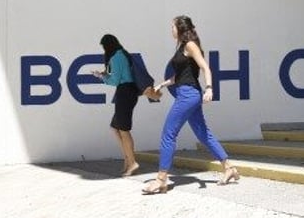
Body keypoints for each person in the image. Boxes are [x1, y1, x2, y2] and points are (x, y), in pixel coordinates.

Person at [142, 15, 240, 195]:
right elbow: (180, 76)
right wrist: (162, 84)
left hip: (188, 95)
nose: (171, 30)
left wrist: (209, 88)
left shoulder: (190, 45)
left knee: (168, 134)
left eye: (172, 26)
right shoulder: (182, 46)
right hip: (187, 93)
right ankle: (229, 168)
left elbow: (205, 68)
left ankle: (161, 180)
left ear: (180, 28)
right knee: (204, 134)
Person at [93, 34, 143, 177]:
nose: (104, 50)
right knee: (116, 127)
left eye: (104, 46)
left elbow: (114, 81)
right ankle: (128, 159)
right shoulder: (121, 54)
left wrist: (102, 77)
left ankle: (132, 162)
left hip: (125, 92)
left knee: (123, 129)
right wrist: (105, 75)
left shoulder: (116, 57)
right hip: (127, 92)